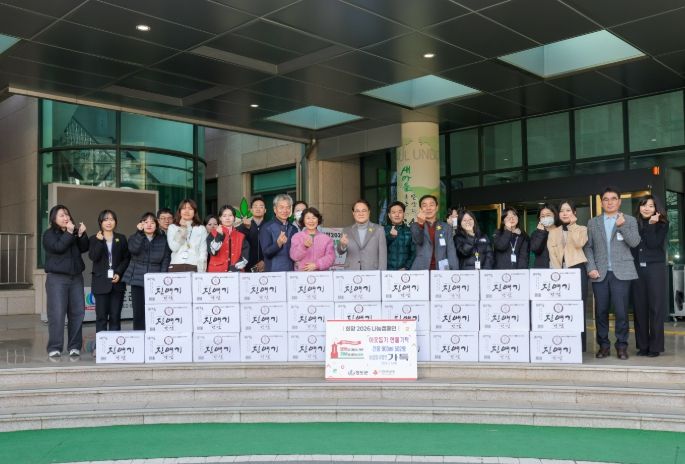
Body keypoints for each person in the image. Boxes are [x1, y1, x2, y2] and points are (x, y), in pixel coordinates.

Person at [584, 187, 640, 360]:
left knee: (621, 312)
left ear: (619, 201)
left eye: (613, 198)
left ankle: (622, 346)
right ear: (601, 202)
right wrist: (591, 267)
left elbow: (634, 242)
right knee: (601, 312)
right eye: (606, 199)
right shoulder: (593, 222)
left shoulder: (629, 220)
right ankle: (603, 346)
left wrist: (622, 226)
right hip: (599, 273)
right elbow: (588, 247)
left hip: (622, 272)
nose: (610, 202)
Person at [42, 205, 89, 358]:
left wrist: (81, 235)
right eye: (61, 215)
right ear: (54, 218)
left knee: (78, 312)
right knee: (57, 313)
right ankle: (55, 347)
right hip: (57, 279)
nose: (66, 217)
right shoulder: (49, 234)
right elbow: (58, 247)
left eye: (67, 214)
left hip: (76, 277)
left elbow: (84, 248)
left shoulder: (73, 232)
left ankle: (74, 346)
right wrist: (69, 233)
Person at [547, 199, 589, 351]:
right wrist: (558, 274)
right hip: (560, 272)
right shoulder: (553, 232)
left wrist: (572, 226)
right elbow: (552, 254)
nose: (565, 213)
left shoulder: (582, 229)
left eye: (568, 210)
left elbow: (579, 244)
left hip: (577, 270)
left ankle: (580, 346)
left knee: (579, 308)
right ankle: (564, 343)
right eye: (562, 211)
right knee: (562, 308)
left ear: (574, 212)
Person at [631, 195, 668, 357]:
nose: (646, 209)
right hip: (637, 269)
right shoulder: (633, 224)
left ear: (656, 209)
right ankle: (643, 345)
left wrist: (652, 225)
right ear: (639, 207)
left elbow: (653, 243)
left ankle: (655, 346)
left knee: (656, 307)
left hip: (655, 269)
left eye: (651, 206)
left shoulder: (662, 224)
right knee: (639, 307)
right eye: (644, 205)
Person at [123, 212, 171, 330]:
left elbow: (165, 260)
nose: (149, 225)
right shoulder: (134, 237)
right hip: (137, 279)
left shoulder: (163, 239)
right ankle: (139, 336)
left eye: (152, 222)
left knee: (155, 311)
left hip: (155, 281)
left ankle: (154, 335)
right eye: (145, 222)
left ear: (156, 225)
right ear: (141, 224)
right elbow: (134, 250)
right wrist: (139, 233)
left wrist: (161, 278)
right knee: (138, 312)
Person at [88, 209, 130, 333]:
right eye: (105, 219)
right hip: (100, 283)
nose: (109, 222)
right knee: (101, 317)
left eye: (111, 219)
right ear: (100, 222)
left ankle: (114, 344)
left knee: (115, 317)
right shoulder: (94, 239)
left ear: (115, 222)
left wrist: (119, 273)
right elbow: (93, 257)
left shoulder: (121, 238)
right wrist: (100, 241)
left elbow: (126, 258)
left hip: (117, 283)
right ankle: (101, 343)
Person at [410, 195, 458, 270]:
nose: (428, 208)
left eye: (431, 205)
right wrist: (421, 224)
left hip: (441, 270)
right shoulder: (415, 226)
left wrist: (454, 271)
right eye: (424, 205)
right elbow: (419, 241)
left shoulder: (446, 227)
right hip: (421, 269)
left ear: (437, 207)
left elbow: (451, 250)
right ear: (420, 209)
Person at [338, 199, 387, 270]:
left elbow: (383, 255)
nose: (360, 213)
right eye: (357, 211)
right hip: (351, 271)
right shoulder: (346, 230)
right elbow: (340, 252)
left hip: (372, 271)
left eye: (364, 210)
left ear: (369, 212)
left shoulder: (379, 230)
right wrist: (343, 245)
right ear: (353, 213)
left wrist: (381, 273)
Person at [167, 198, 208, 272]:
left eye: (190, 209)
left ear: (194, 212)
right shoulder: (172, 227)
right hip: (176, 264)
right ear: (180, 211)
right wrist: (182, 229)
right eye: (184, 208)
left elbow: (203, 251)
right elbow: (174, 247)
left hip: (194, 265)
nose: (186, 211)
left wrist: (201, 271)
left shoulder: (201, 228)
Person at [260, 194, 298, 272]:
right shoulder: (266, 227)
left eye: (288, 207)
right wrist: (278, 243)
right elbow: (266, 253)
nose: (285, 210)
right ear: (275, 209)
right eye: (281, 207)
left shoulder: (294, 228)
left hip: (291, 272)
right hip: (273, 273)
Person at [207, 205, 249, 272]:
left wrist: (234, 268)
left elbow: (245, 258)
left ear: (234, 218)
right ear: (220, 218)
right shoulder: (212, 234)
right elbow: (213, 252)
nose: (227, 218)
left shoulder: (241, 236)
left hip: (236, 273)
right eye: (224, 216)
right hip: (217, 273)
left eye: (230, 215)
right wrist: (219, 236)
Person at [237, 197, 266, 272]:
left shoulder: (269, 226)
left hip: (266, 267)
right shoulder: (243, 226)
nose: (258, 209)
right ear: (251, 210)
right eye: (255, 206)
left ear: (265, 210)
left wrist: (265, 261)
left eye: (261, 206)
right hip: (248, 267)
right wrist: (246, 228)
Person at [384, 201, 415, 271]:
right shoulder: (383, 230)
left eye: (400, 212)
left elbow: (413, 252)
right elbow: (380, 249)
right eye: (393, 212)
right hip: (387, 271)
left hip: (405, 271)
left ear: (404, 214)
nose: (397, 215)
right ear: (389, 215)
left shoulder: (410, 231)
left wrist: (406, 267)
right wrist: (390, 237)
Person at [530, 204, 558, 268]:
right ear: (539, 218)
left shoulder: (561, 231)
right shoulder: (535, 233)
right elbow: (535, 249)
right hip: (542, 270)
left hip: (559, 269)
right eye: (542, 216)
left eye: (548, 215)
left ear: (555, 215)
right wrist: (541, 232)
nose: (545, 218)